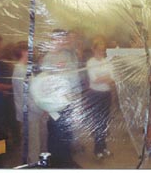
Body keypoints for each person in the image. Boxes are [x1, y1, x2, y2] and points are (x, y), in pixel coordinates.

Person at [39, 29, 82, 168]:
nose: (63, 41)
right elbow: (44, 83)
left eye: (64, 39)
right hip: (56, 104)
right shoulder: (48, 58)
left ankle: (67, 160)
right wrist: (47, 106)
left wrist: (76, 95)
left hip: (69, 101)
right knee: (56, 134)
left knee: (67, 132)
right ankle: (57, 163)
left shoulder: (67, 55)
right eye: (60, 39)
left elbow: (73, 76)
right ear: (53, 40)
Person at [12, 41, 48, 163]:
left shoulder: (24, 69)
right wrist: (41, 110)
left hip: (31, 113)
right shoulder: (21, 71)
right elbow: (27, 98)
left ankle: (27, 164)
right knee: (33, 147)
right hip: (30, 114)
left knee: (29, 144)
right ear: (23, 52)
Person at [86, 35, 115, 160]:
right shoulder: (90, 63)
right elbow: (94, 80)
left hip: (106, 94)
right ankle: (97, 149)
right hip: (96, 95)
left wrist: (104, 78)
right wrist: (106, 78)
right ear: (94, 49)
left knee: (105, 122)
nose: (101, 52)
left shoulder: (107, 61)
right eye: (99, 49)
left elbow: (113, 78)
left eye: (103, 49)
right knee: (98, 122)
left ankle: (103, 147)